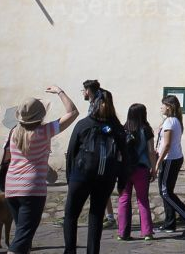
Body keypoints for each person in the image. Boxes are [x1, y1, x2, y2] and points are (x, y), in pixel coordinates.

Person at [4, 86, 79, 254]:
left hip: (11, 187)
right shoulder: (44, 131)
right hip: (32, 189)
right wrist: (60, 92)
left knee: (23, 235)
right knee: (22, 238)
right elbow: (73, 112)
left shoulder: (13, 132)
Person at [63, 89, 128, 254]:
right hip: (106, 178)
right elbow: (125, 156)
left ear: (94, 104)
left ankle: (70, 251)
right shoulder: (117, 128)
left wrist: (70, 177)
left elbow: (71, 152)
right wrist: (121, 182)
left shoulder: (84, 124)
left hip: (81, 176)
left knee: (71, 216)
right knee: (96, 217)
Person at [154, 94, 185, 237]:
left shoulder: (170, 122)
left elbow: (166, 145)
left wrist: (158, 162)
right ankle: (169, 223)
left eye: (163, 105)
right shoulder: (174, 121)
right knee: (167, 192)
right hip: (174, 158)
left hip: (169, 159)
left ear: (169, 106)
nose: (161, 107)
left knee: (165, 192)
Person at [79, 79, 117, 228]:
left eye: (83, 90)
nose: (82, 93)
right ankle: (109, 216)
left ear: (88, 91)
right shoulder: (93, 104)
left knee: (95, 186)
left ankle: (107, 217)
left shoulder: (98, 106)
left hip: (99, 153)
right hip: (94, 150)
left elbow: (106, 128)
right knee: (97, 186)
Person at [117, 103, 157, 241]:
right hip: (141, 168)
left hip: (125, 169)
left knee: (123, 199)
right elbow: (151, 151)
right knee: (142, 200)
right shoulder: (146, 130)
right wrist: (154, 168)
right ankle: (146, 232)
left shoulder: (123, 129)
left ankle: (122, 232)